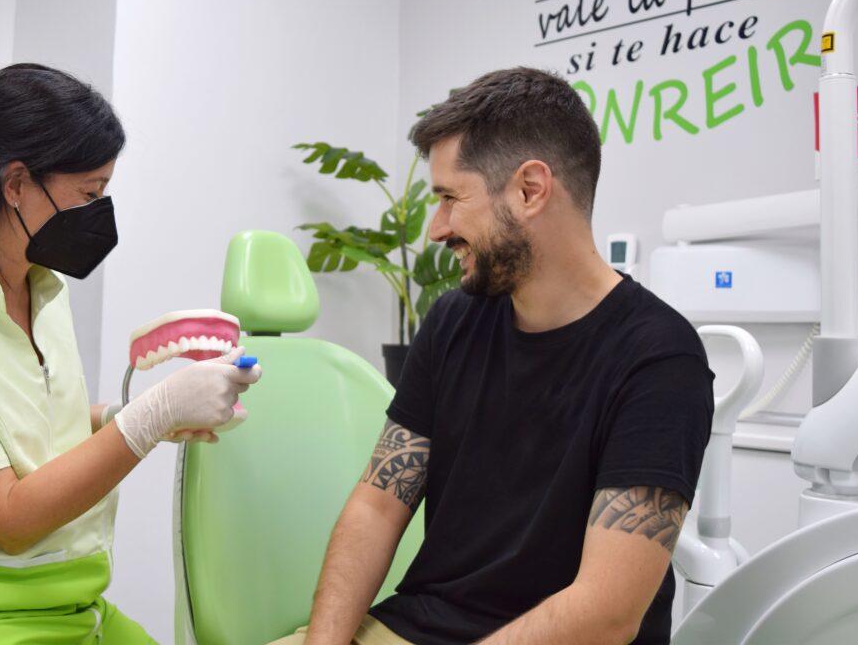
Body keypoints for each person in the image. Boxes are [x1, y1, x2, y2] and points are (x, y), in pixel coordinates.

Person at [276, 67, 714, 645]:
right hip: (417, 625)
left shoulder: (659, 359)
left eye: (451, 199)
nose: (436, 229)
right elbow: (377, 508)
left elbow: (607, 613)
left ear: (530, 190)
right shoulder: (453, 321)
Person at [0, 64, 260, 644]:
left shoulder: (44, 288)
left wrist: (125, 417)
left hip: (70, 602)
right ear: (15, 184)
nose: (100, 211)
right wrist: (150, 417)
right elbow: (8, 519)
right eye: (90, 193)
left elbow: (29, 428)